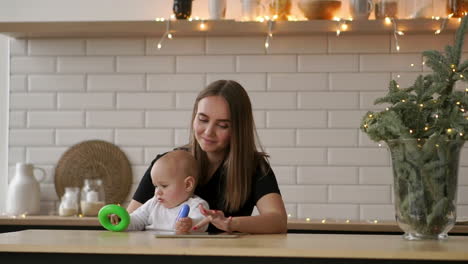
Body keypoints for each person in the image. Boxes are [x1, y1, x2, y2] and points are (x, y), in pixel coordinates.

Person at [129, 80, 287, 234]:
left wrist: (230, 223)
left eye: (222, 125)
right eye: (203, 120)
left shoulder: (254, 166)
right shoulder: (168, 163)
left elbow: (278, 221)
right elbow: (131, 219)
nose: (208, 132)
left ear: (238, 129)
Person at [113, 150, 209, 233]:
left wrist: (190, 224)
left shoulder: (197, 205)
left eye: (164, 186)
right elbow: (136, 220)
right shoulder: (153, 203)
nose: (157, 192)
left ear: (188, 184)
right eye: (155, 186)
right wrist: (121, 219)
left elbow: (202, 223)